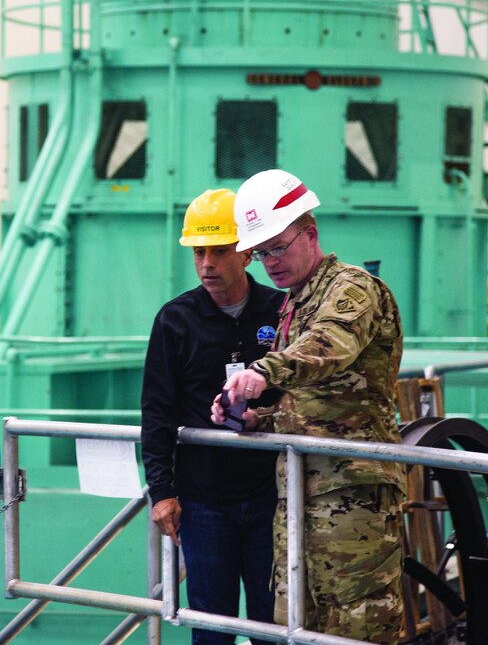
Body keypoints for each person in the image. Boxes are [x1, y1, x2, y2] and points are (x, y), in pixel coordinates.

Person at [210, 169, 407, 644]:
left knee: (356, 624)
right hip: (302, 492)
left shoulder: (352, 289)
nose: (270, 263)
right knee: (298, 625)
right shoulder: (295, 303)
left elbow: (329, 346)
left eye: (278, 247)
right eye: (261, 254)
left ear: (310, 233)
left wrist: (264, 372)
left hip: (353, 494)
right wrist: (260, 418)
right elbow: (315, 403)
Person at [141, 188, 285, 645]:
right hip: (203, 502)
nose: (206, 263)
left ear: (246, 253)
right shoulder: (175, 321)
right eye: (199, 252)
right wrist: (161, 493)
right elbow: (157, 411)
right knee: (211, 627)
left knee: (273, 623)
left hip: (272, 496)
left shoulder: (281, 312)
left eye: (219, 251)